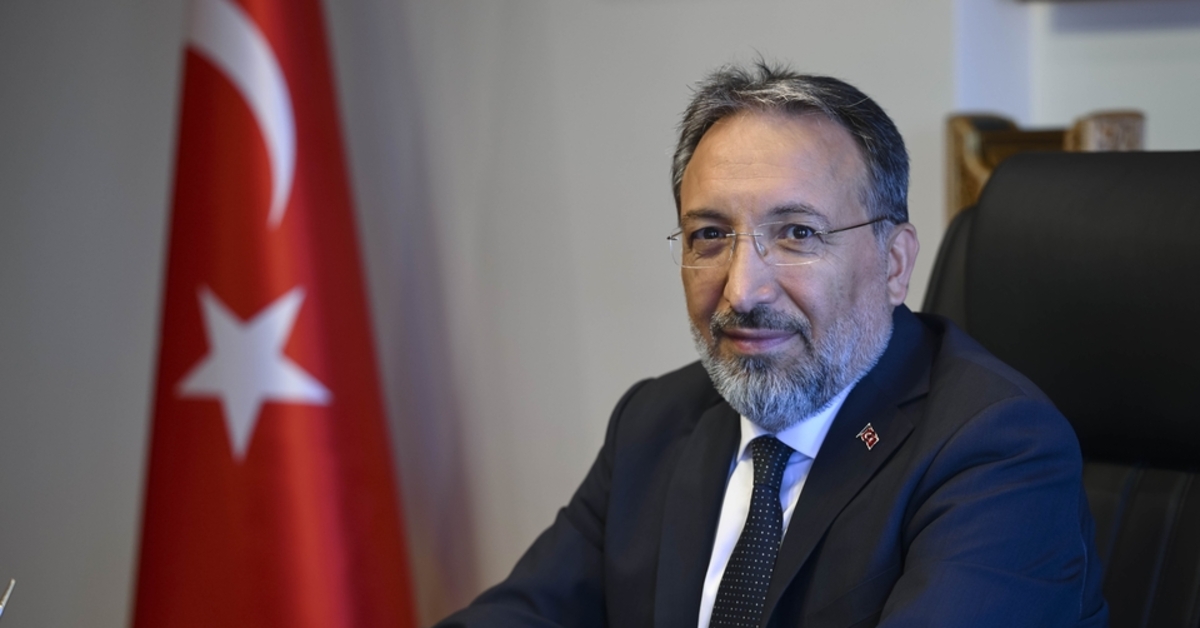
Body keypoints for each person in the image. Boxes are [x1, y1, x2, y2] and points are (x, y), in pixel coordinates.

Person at [436, 61, 1108, 627]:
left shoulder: (996, 447)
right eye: (709, 236)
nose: (742, 291)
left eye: (797, 234)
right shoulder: (654, 423)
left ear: (894, 264)